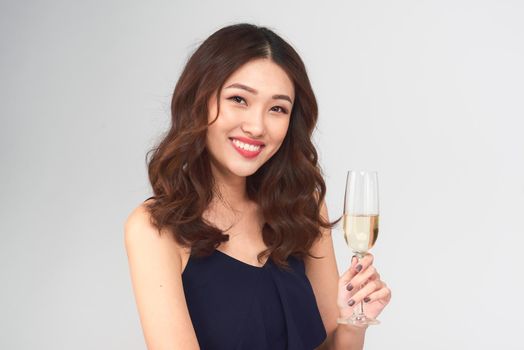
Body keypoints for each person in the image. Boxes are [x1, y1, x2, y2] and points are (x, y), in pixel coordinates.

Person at [124, 23, 391, 350]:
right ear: (199, 100)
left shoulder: (303, 206)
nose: (256, 126)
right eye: (239, 99)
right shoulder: (155, 228)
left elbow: (329, 346)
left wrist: (354, 321)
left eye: (277, 109)